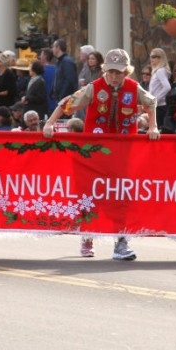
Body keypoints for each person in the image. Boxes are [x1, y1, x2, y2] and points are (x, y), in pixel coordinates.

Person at [43, 48, 159, 261]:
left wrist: (152, 127)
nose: (115, 77)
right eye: (112, 72)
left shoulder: (134, 88)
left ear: (127, 72)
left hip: (122, 155)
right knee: (91, 193)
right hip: (95, 155)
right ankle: (87, 235)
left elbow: (151, 102)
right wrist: (50, 123)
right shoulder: (94, 88)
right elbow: (67, 103)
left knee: (121, 196)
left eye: (120, 73)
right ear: (105, 70)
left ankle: (121, 241)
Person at [148, 48, 172, 128]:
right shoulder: (159, 71)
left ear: (160, 58)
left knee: (155, 130)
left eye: (154, 56)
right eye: (151, 56)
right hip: (157, 106)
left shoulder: (160, 71)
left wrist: (155, 99)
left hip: (159, 107)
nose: (151, 59)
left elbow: (167, 87)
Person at [51, 38, 78, 105]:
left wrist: (62, 96)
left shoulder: (66, 62)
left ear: (58, 48)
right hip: (60, 99)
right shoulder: (60, 61)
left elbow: (69, 81)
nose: (52, 49)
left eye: (53, 47)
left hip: (66, 100)